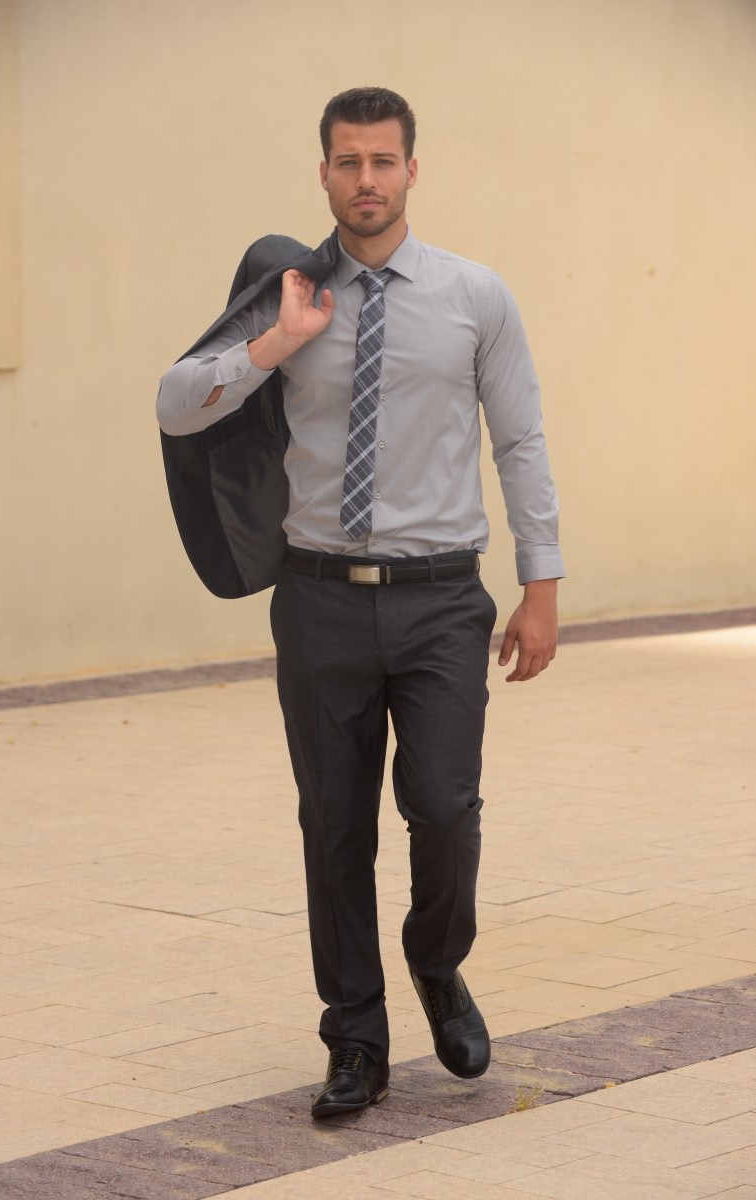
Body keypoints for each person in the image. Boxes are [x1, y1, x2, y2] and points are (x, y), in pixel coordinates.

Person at [157, 87, 564, 1119]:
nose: (366, 180)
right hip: (319, 600)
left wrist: (542, 586)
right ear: (325, 173)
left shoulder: (476, 295)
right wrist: (275, 344)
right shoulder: (290, 294)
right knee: (333, 825)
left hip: (442, 599)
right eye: (349, 162)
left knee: (446, 811)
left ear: (411, 170)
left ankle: (436, 960)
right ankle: (354, 1038)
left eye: (384, 161)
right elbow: (175, 401)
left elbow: (519, 439)